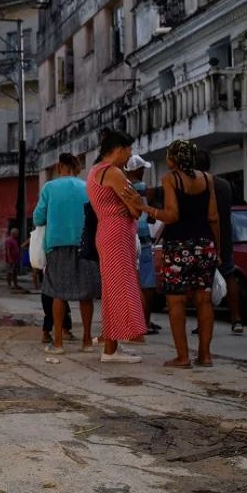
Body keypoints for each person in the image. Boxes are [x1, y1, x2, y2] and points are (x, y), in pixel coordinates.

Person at [87, 129, 158, 364]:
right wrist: (136, 203)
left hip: (107, 231)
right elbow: (135, 209)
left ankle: (111, 346)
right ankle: (111, 348)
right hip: (117, 233)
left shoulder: (94, 171)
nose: (129, 157)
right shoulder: (114, 172)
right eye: (128, 151)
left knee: (113, 288)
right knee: (120, 288)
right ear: (118, 150)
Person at [156, 140, 221, 368]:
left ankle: (183, 357)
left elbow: (172, 215)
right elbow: (213, 216)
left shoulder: (170, 179)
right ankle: (205, 355)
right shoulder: (207, 179)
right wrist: (217, 248)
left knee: (176, 301)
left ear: (172, 159)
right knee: (204, 300)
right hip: (205, 244)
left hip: (178, 246)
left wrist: (148, 210)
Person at [33, 152, 98, 354]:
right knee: (86, 294)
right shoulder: (87, 187)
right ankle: (87, 340)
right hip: (85, 244)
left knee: (58, 293)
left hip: (58, 244)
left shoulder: (50, 188)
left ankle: (58, 343)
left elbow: (38, 218)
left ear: (60, 166)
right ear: (77, 167)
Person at [196, 151, 242, 335]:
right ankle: (237, 319)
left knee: (202, 283)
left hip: (204, 237)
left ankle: (203, 322)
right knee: (230, 276)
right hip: (225, 238)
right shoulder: (224, 185)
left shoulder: (196, 185)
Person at [126, 154, 161, 335]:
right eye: (142, 169)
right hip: (144, 238)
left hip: (129, 236)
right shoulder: (140, 187)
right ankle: (144, 322)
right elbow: (153, 213)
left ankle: (134, 321)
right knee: (147, 285)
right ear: (137, 169)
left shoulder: (124, 185)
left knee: (133, 282)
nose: (144, 171)